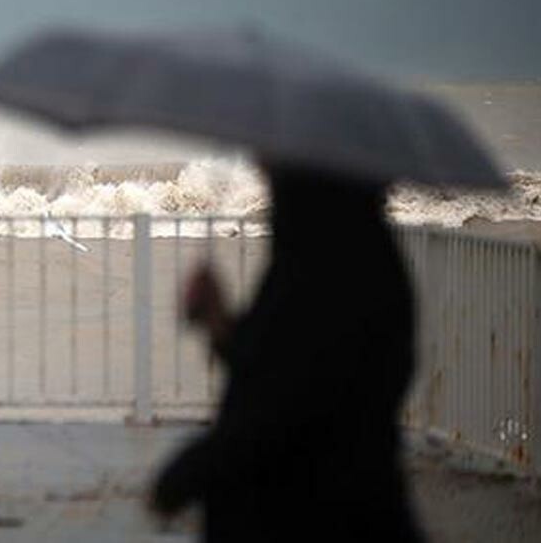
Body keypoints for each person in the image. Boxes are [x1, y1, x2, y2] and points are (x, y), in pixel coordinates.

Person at [149, 164, 425, 542]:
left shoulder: (330, 268)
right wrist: (218, 321)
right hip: (342, 503)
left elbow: (288, 406)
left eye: (278, 169)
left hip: (313, 513)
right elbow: (280, 358)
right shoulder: (343, 256)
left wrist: (190, 472)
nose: (265, 172)